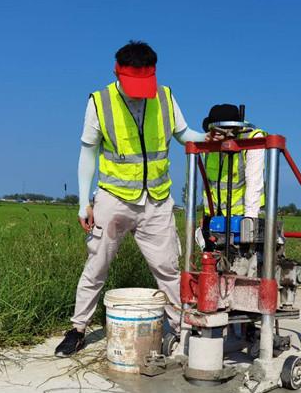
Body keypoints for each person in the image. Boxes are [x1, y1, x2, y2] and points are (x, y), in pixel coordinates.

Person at [55, 40, 205, 357]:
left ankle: (183, 331)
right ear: (118, 74)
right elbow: (88, 152)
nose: (139, 91)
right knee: (97, 266)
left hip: (157, 200)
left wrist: (210, 137)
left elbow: (184, 134)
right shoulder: (100, 102)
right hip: (114, 200)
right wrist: (84, 202)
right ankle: (78, 329)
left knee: (168, 269)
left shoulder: (164, 97)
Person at [201, 104, 265, 219]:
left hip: (246, 214)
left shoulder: (252, 139)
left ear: (231, 130)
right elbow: (208, 185)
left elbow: (254, 183)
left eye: (217, 132)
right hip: (214, 217)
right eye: (211, 130)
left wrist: (249, 221)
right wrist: (206, 217)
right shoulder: (209, 143)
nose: (213, 136)